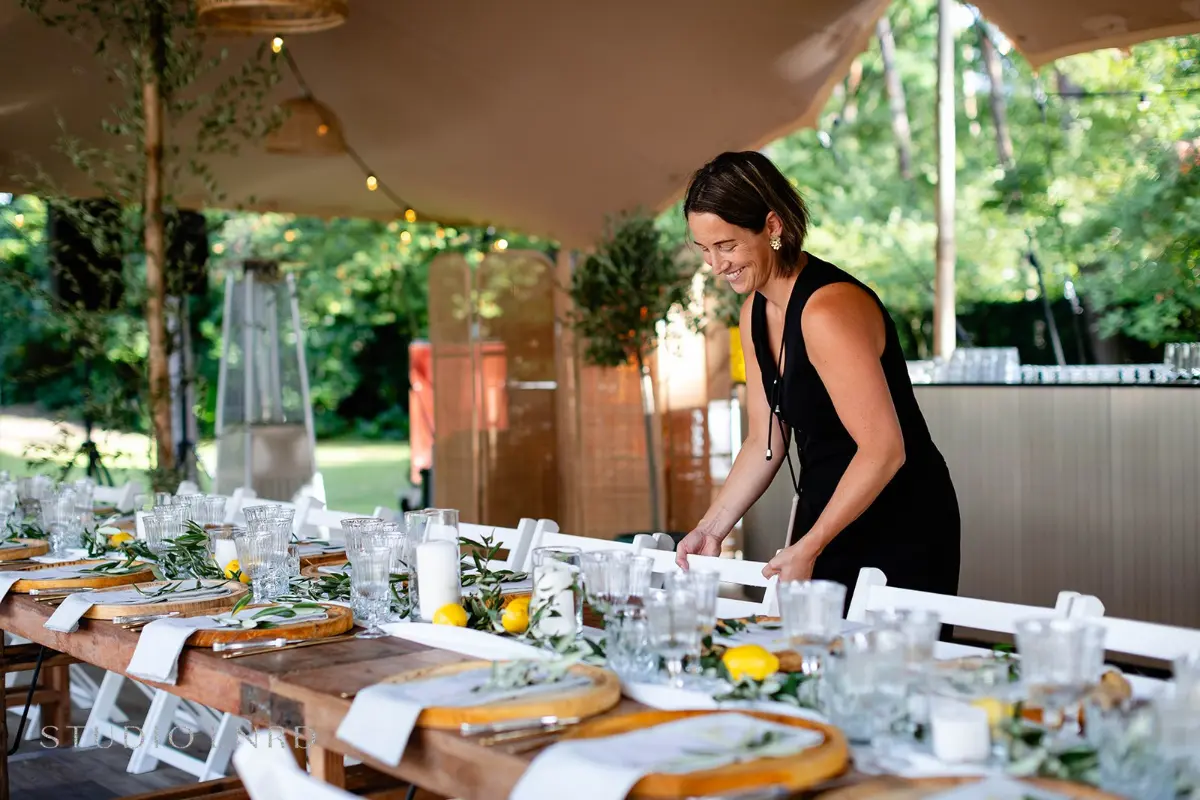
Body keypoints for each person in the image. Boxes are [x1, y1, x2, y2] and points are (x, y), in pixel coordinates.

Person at [675, 151, 960, 607]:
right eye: (704, 249)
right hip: (827, 515)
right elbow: (763, 441)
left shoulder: (827, 309)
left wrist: (810, 544)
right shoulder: (754, 313)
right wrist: (710, 530)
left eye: (726, 245)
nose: (715, 265)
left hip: (896, 518)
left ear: (771, 226)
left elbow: (885, 449)